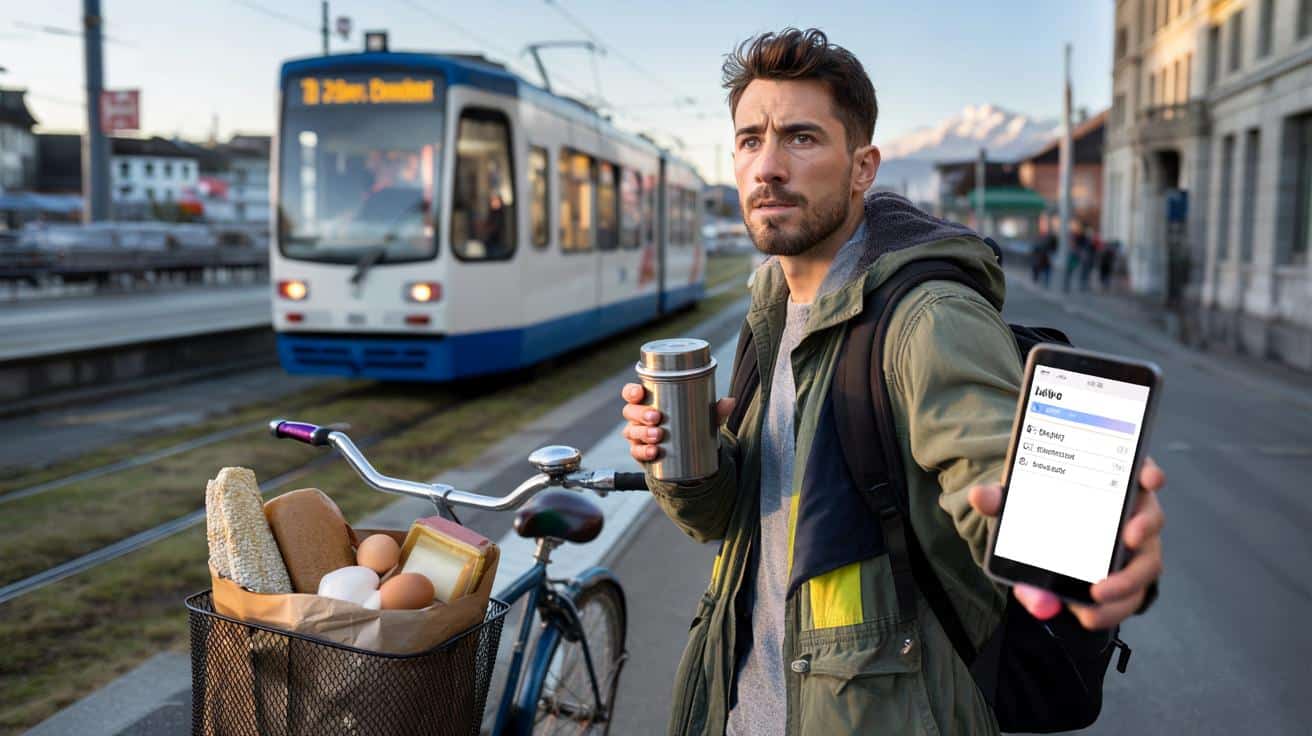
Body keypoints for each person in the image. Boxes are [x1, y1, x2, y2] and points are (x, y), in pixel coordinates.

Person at [618, 29, 1165, 736]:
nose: (769, 167)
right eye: (750, 140)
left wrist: (1097, 563)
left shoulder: (929, 320)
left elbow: (990, 473)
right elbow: (730, 524)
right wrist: (685, 464)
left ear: (861, 167)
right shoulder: (772, 308)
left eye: (802, 139)